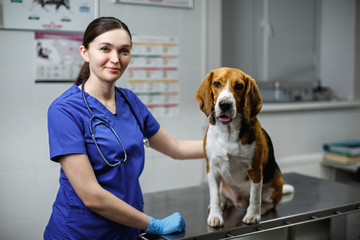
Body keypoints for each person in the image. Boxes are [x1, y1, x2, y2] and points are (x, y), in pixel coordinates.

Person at [44, 16, 204, 240]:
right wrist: (154, 224)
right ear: (85, 52)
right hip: (81, 232)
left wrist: (228, 147)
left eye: (124, 51)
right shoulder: (64, 110)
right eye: (105, 49)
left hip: (125, 228)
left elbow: (175, 148)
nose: (115, 59)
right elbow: (90, 195)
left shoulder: (129, 101)